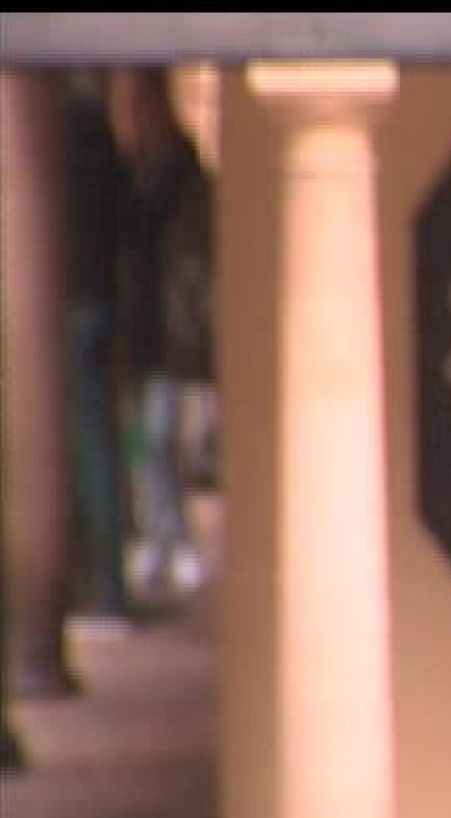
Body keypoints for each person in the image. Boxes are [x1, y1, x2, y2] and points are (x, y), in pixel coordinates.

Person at [106, 65, 213, 601]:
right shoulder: (136, 172)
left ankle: (176, 541)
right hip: (146, 332)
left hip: (175, 336)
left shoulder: (178, 172)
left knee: (167, 439)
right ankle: (163, 539)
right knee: (149, 443)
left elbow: (189, 257)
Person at [62, 68, 136, 636]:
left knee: (91, 447)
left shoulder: (73, 132)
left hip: (78, 303)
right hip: (98, 299)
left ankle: (105, 593)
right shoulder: (96, 134)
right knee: (98, 444)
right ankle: (103, 587)